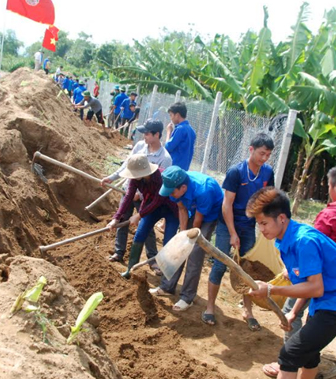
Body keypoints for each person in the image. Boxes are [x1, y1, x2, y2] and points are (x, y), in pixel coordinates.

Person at [247, 187, 336, 379]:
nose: (261, 230)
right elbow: (305, 284)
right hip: (324, 299)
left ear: (281, 218)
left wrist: (270, 289)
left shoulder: (303, 241)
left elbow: (315, 288)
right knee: (309, 353)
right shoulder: (284, 240)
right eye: (258, 224)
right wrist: (294, 312)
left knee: (290, 354)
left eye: (263, 223)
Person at [262, 165, 336, 378]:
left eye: (329, 186)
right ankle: (304, 360)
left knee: (291, 315)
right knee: (314, 327)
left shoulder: (330, 215)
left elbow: (308, 251)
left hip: (316, 279)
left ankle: (287, 364)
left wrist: (290, 272)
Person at [203, 133, 276, 331]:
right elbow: (227, 205)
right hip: (228, 224)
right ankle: (210, 307)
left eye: (268, 155)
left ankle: (248, 311)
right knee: (220, 264)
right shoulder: (236, 172)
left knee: (247, 269)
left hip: (249, 226)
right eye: (261, 153)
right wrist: (233, 233)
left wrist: (264, 227)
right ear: (251, 149)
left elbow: (266, 201)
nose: (264, 158)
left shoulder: (267, 173)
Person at [101, 119, 173, 267]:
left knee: (146, 226)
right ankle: (119, 252)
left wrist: (139, 206)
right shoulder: (140, 147)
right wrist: (115, 218)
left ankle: (152, 259)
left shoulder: (164, 159)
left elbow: (158, 195)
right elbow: (128, 167)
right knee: (122, 220)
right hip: (131, 191)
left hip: (149, 198)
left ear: (157, 134)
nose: (144, 136)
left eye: (147, 133)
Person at [151, 166, 223, 312]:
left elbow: (197, 224)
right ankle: (167, 286)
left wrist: (189, 239)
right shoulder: (174, 187)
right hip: (193, 209)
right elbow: (182, 209)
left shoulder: (204, 190)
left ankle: (187, 297)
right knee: (179, 247)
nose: (170, 194)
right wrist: (182, 235)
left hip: (209, 215)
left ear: (183, 187)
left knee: (194, 253)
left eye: (172, 192)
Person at [106, 154, 180, 280]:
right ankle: (130, 270)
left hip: (170, 209)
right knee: (140, 234)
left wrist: (139, 215)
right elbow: (129, 196)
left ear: (142, 171)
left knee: (168, 242)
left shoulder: (160, 177)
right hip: (152, 206)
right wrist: (116, 218)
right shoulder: (135, 178)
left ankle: (167, 281)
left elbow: (158, 200)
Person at [165, 102, 196, 171]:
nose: (171, 118)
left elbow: (168, 147)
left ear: (177, 115)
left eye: (171, 115)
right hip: (184, 168)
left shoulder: (180, 129)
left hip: (174, 167)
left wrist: (168, 132)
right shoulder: (191, 130)